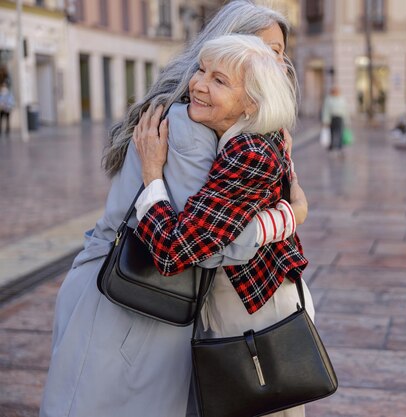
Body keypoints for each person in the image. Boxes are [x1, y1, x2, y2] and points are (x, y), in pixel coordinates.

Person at [39, 3, 308, 417]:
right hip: (133, 305)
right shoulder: (192, 128)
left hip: (115, 288)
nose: (274, 63)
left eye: (279, 53)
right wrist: (285, 218)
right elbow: (199, 246)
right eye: (262, 49)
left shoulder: (215, 122)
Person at [133, 34, 311, 417]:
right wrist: (288, 216)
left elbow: (170, 250)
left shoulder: (249, 153)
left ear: (252, 103)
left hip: (256, 317)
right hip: (248, 307)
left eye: (219, 80)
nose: (197, 84)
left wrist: (151, 174)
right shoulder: (254, 136)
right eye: (201, 69)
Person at [322, 85, 350, 154]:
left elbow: (345, 110)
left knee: (340, 132)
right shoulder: (329, 99)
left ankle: (340, 147)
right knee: (332, 133)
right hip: (332, 118)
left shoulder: (342, 99)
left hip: (340, 118)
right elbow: (326, 110)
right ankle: (331, 146)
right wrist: (325, 121)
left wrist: (347, 120)